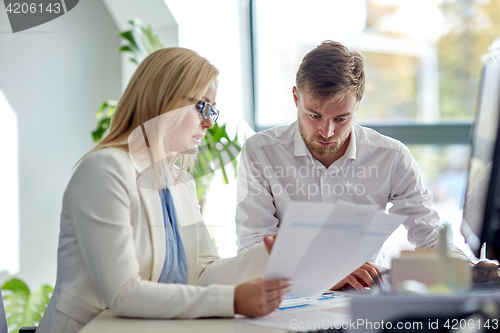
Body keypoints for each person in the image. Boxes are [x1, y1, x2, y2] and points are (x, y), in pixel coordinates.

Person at [37, 48, 291, 333]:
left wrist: (270, 254)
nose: (209, 123)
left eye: (213, 111)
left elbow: (203, 274)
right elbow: (123, 294)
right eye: (202, 107)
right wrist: (232, 300)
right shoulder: (105, 171)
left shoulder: (180, 181)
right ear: (164, 101)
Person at [235, 40, 469, 291]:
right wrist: (327, 275)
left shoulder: (391, 156)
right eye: (314, 115)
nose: (327, 131)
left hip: (366, 297)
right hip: (287, 299)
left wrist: (468, 271)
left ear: (358, 104)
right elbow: (253, 250)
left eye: (341, 118)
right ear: (296, 97)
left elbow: (430, 234)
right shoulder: (261, 152)